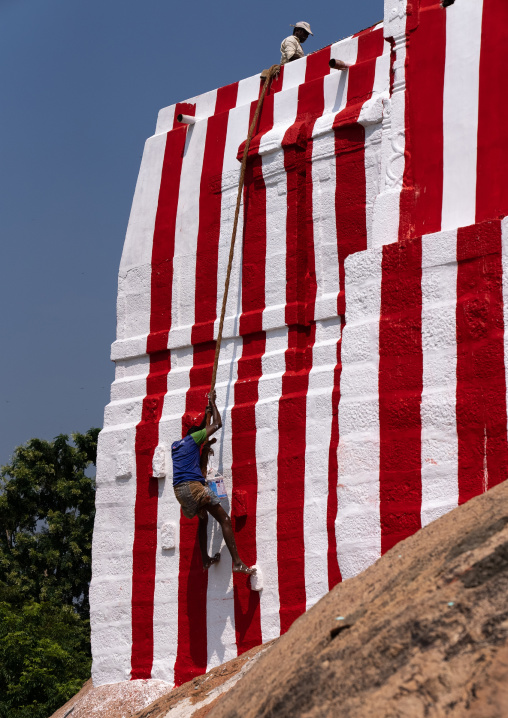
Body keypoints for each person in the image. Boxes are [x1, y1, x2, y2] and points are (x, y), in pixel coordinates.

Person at [171, 390, 255, 575]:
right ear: (198, 437)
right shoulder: (194, 440)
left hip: (180, 493)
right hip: (194, 488)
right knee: (224, 519)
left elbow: (197, 458)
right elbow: (217, 424)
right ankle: (238, 562)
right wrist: (213, 403)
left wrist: (204, 448)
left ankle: (205, 559)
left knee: (203, 518)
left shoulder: (176, 446)